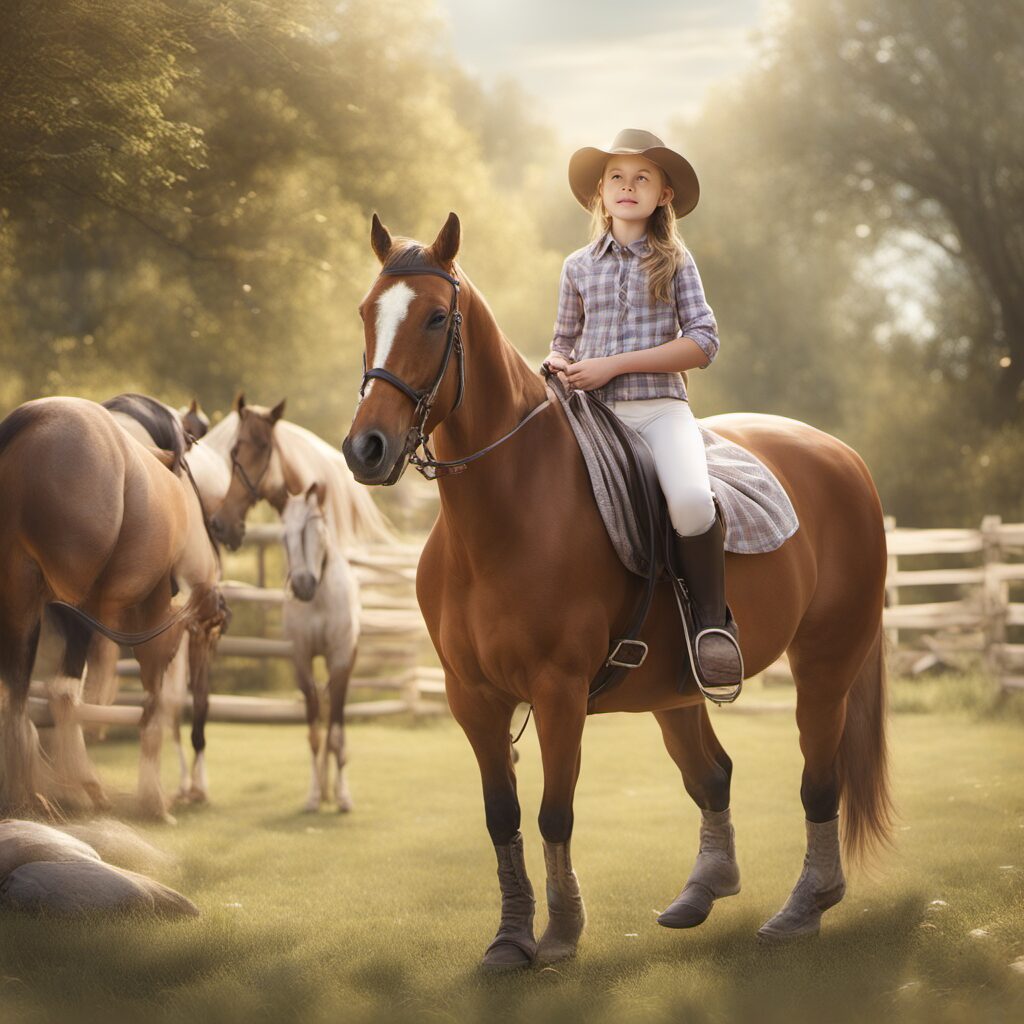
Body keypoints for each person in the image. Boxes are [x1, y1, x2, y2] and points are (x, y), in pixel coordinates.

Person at [543, 127, 741, 693]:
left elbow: (703, 342)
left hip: (658, 412)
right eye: (616, 178)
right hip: (591, 415)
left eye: (642, 178)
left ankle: (710, 626)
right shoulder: (577, 266)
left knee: (690, 501)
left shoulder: (676, 260)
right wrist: (559, 362)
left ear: (664, 196)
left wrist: (614, 364)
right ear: (599, 194)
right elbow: (563, 339)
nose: (627, 187)